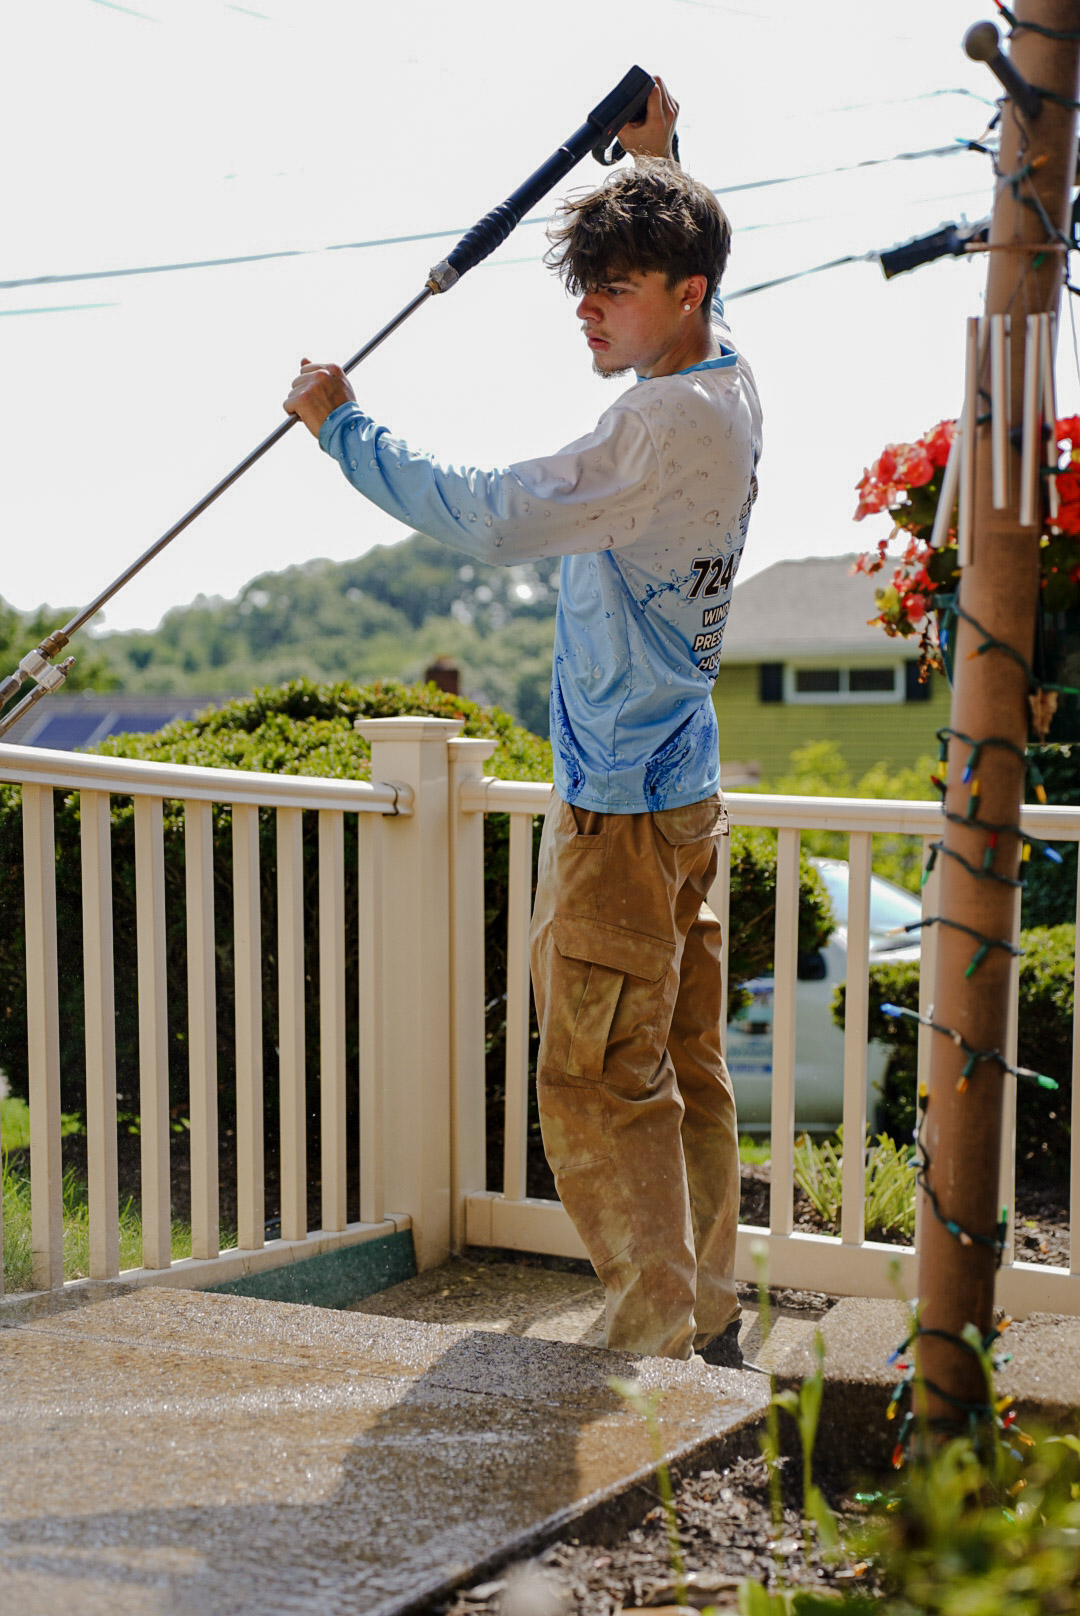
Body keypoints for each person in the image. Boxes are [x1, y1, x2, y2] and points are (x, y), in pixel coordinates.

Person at [284, 80, 762, 1364]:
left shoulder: (658, 426)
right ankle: (705, 1306)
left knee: (597, 1075)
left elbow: (494, 514)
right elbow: (709, 261)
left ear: (681, 289)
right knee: (682, 1062)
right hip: (685, 789)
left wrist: (346, 431)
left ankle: (656, 1330)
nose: (586, 308)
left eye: (614, 283)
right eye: (585, 283)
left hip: (620, 802)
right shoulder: (727, 381)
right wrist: (664, 160)